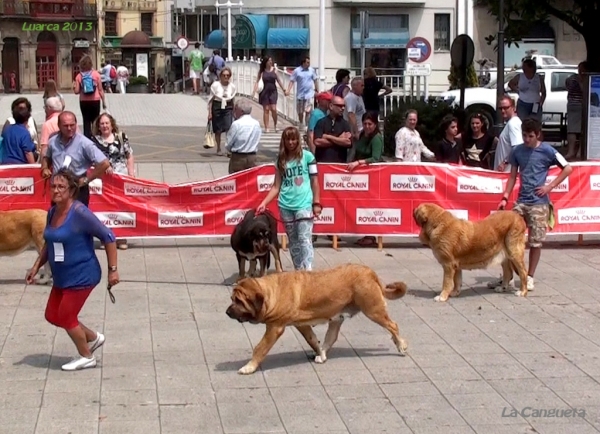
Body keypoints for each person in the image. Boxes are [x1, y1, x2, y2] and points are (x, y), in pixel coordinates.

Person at [26, 168, 120, 371]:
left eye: (61, 187)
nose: (56, 190)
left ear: (71, 190)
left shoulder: (80, 213)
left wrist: (113, 270)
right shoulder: (52, 212)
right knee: (52, 314)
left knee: (67, 317)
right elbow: (49, 244)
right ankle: (93, 338)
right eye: (53, 186)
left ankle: (86, 356)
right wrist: (36, 266)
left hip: (82, 275)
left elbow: (109, 237)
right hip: (62, 277)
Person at [492, 118, 572, 293]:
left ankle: (529, 277)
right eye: (524, 135)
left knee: (535, 242)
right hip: (521, 202)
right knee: (507, 239)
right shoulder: (517, 151)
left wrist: (549, 187)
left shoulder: (548, 150)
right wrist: (505, 197)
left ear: (537, 134)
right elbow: (512, 176)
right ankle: (509, 276)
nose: (526, 139)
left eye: (530, 136)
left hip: (539, 203)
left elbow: (567, 168)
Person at [257, 127, 322, 271]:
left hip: (304, 204)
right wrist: (264, 203)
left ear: (298, 140)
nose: (291, 142)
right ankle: (298, 270)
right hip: (285, 205)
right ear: (284, 141)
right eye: (288, 139)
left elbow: (315, 181)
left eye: (294, 139)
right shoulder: (281, 160)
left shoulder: (308, 157)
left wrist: (316, 203)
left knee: (304, 239)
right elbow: (276, 186)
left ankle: (308, 270)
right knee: (293, 241)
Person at [42, 111, 110, 207]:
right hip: (58, 190)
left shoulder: (85, 143)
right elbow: (47, 157)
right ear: (59, 126)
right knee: (57, 220)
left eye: (72, 125)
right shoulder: (53, 141)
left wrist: (87, 179)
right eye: (66, 126)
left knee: (77, 220)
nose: (69, 128)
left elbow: (104, 163)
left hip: (77, 190)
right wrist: (45, 168)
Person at [92, 113, 134, 249]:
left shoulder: (121, 137)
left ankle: (121, 238)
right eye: (102, 124)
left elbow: (129, 155)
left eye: (107, 123)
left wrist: (131, 174)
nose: (104, 126)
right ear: (98, 126)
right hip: (104, 181)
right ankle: (107, 238)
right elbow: (91, 159)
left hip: (121, 178)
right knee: (106, 208)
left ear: (111, 124)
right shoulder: (94, 141)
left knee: (122, 207)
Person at [347, 111, 384, 247]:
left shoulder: (377, 138)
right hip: (360, 177)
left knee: (370, 206)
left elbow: (375, 158)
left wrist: (358, 163)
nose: (367, 126)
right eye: (365, 123)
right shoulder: (363, 135)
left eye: (370, 124)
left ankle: (370, 235)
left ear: (375, 124)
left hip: (373, 177)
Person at [73, 55, 106, 138]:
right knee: (95, 121)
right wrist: (104, 102)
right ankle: (96, 138)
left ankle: (87, 138)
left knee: (86, 121)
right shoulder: (96, 74)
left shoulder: (79, 76)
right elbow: (100, 90)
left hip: (84, 102)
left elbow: (76, 91)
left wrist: (73, 87)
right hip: (95, 100)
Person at [225, 99, 262, 174]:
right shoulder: (256, 123)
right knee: (250, 179)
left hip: (238, 157)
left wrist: (229, 149)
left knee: (236, 180)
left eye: (236, 110)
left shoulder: (237, 124)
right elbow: (257, 138)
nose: (234, 112)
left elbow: (229, 142)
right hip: (252, 156)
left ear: (241, 111)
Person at [313, 96, 352, 163]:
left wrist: (328, 137)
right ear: (331, 106)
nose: (342, 108)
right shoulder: (321, 122)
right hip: (323, 163)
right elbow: (317, 142)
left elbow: (348, 142)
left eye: (344, 106)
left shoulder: (345, 124)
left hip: (339, 164)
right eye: (339, 106)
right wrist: (339, 139)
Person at [253, 57, 287, 133]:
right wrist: (254, 91)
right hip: (264, 92)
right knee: (266, 109)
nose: (270, 62)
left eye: (271, 61)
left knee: (274, 109)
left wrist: (284, 89)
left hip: (273, 91)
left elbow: (278, 80)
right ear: (265, 62)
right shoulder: (262, 71)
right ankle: (267, 127)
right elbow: (257, 81)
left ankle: (275, 125)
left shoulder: (274, 70)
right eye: (269, 61)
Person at [208, 67, 237, 156]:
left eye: (228, 75)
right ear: (220, 76)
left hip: (228, 107)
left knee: (229, 127)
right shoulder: (215, 85)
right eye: (224, 75)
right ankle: (218, 148)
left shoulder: (232, 87)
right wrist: (209, 113)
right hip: (217, 106)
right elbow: (210, 100)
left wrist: (234, 111)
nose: (226, 77)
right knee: (218, 129)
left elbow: (233, 100)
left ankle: (228, 149)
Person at [286, 57, 319, 131]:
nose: (309, 64)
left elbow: (315, 80)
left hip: (309, 94)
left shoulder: (311, 70)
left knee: (308, 110)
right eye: (307, 62)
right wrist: (288, 90)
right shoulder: (297, 71)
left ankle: (307, 124)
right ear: (303, 63)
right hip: (300, 94)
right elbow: (292, 81)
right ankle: (301, 122)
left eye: (309, 62)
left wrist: (317, 89)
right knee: (300, 111)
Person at [564, 61, 588, 160]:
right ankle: (572, 151)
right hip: (575, 105)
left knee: (581, 130)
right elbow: (568, 86)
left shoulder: (579, 78)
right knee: (573, 130)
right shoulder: (575, 78)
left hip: (580, 106)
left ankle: (578, 152)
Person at [494, 95, 523, 172]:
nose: (503, 111)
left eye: (506, 108)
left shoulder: (513, 123)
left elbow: (518, 147)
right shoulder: (512, 123)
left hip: (508, 174)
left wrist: (505, 163)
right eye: (500, 108)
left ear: (514, 108)